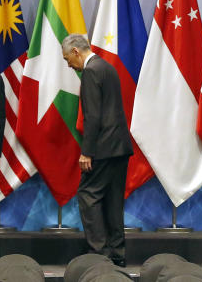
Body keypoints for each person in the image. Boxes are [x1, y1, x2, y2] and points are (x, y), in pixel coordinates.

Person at [61, 34, 133, 268]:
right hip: (119, 146)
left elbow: (93, 116)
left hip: (102, 147)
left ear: (75, 52)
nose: (68, 65)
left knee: (88, 195)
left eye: (67, 59)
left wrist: (87, 151)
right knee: (113, 200)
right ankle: (116, 253)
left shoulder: (91, 71)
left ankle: (98, 253)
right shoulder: (107, 67)